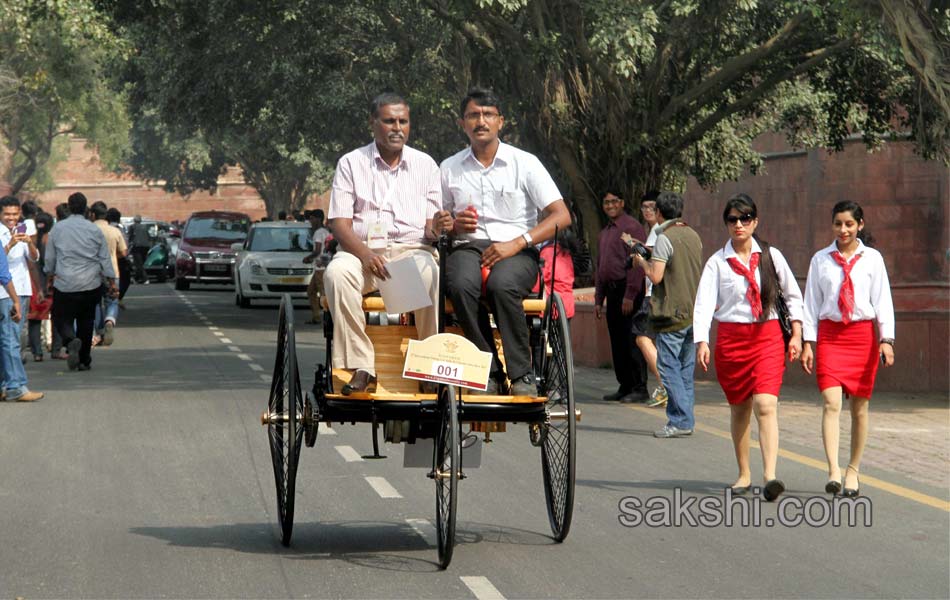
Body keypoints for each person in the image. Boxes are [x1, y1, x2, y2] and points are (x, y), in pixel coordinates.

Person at [441, 88, 572, 396]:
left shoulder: (524, 163)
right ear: (462, 123)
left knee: (502, 286)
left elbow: (560, 215)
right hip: (467, 246)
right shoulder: (449, 167)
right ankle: (489, 370)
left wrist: (518, 242)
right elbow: (439, 222)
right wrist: (450, 224)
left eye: (488, 115)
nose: (481, 121)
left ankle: (522, 374)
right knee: (459, 285)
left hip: (517, 250)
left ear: (501, 121)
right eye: (474, 115)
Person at [325, 92, 451, 395]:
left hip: (410, 252)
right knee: (336, 273)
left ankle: (428, 364)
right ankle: (362, 366)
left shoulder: (425, 165)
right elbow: (338, 222)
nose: (397, 127)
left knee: (430, 273)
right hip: (361, 253)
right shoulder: (351, 163)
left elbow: (429, 227)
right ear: (373, 123)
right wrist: (365, 253)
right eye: (389, 121)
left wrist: (437, 227)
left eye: (403, 121)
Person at [693, 194, 804, 501]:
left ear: (755, 222)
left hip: (767, 336)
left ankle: (770, 475)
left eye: (745, 219)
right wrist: (702, 340)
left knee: (765, 405)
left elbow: (793, 297)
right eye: (732, 219)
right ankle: (744, 473)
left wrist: (796, 334)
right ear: (726, 224)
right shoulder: (717, 262)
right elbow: (703, 305)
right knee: (740, 408)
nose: (738, 225)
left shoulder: (770, 256)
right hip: (731, 340)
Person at [801, 201, 894, 498]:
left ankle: (853, 469)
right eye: (838, 224)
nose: (843, 230)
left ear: (860, 225)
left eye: (849, 224)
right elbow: (811, 304)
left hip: (862, 337)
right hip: (830, 336)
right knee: (831, 402)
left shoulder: (873, 259)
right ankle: (833, 470)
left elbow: (883, 301)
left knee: (859, 408)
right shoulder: (820, 259)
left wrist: (886, 339)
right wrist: (808, 342)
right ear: (832, 226)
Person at [631, 191, 703, 438]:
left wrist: (641, 261)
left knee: (668, 366)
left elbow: (656, 276)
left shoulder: (664, 237)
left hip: (671, 312)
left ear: (660, 213)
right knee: (685, 369)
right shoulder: (694, 235)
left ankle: (680, 420)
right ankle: (685, 419)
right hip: (694, 311)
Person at [45, 192, 117, 371]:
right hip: (91, 283)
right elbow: (104, 259)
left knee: (61, 317)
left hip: (65, 283)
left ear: (69, 208)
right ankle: (84, 360)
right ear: (86, 209)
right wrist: (112, 282)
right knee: (86, 321)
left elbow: (50, 259)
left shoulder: (58, 229)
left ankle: (70, 341)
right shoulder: (93, 229)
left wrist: (49, 276)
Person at [594, 192, 648, 402]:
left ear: (622, 203)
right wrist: (599, 300)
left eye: (614, 201)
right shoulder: (605, 232)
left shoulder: (631, 228)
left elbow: (637, 261)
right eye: (606, 202)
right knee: (617, 341)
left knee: (631, 340)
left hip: (628, 290)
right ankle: (624, 385)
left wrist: (630, 294)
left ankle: (639, 387)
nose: (610, 206)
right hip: (611, 291)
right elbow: (600, 268)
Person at [0, 196, 43, 401]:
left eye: (15, 214)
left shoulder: (22, 230)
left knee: (12, 338)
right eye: (7, 214)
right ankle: (16, 386)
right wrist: (9, 244)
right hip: (6, 293)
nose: (11, 218)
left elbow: (34, 258)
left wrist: (29, 243)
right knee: (10, 339)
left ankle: (4, 385)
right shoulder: (1, 234)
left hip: (23, 289)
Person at [632, 192, 669, 408]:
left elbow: (656, 258)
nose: (647, 210)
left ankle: (665, 385)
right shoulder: (664, 231)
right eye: (644, 206)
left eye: (652, 206)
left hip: (653, 294)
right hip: (661, 294)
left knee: (642, 338)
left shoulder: (659, 231)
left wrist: (640, 257)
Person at [91, 202, 127, 346]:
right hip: (112, 272)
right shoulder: (114, 231)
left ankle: (99, 332)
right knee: (112, 300)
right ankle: (110, 320)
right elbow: (124, 252)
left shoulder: (89, 230)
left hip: (92, 273)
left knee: (96, 303)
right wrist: (113, 255)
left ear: (92, 214)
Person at [27, 211, 55, 361]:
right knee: (56, 317)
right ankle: (56, 348)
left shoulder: (30, 240)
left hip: (32, 283)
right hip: (50, 283)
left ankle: (37, 352)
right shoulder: (51, 240)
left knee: (34, 320)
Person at [304, 209, 330, 323]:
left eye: (312, 218)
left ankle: (328, 317)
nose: (311, 221)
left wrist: (308, 258)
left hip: (321, 268)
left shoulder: (318, 233)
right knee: (311, 291)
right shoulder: (326, 231)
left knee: (323, 294)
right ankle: (316, 316)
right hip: (322, 267)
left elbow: (317, 250)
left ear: (318, 219)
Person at [129, 215, 151, 283]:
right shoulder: (145, 227)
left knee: (139, 264)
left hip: (137, 246)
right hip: (146, 246)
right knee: (141, 263)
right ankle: (136, 278)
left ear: (134, 220)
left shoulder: (132, 227)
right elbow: (148, 236)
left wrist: (129, 245)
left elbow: (130, 237)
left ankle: (145, 279)